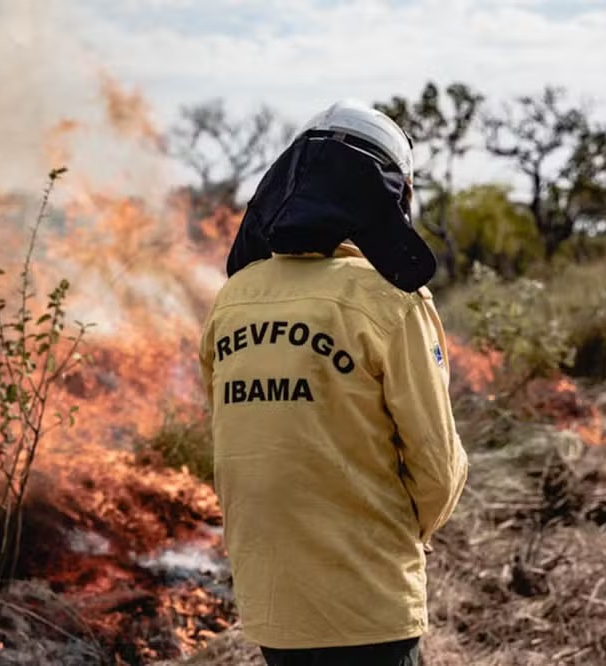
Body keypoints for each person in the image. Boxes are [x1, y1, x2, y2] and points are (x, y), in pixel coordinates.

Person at [199, 99, 469, 666]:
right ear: (392, 196)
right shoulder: (389, 299)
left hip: (273, 609)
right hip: (368, 605)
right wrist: (395, 535)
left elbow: (232, 444)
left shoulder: (231, 301)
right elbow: (437, 468)